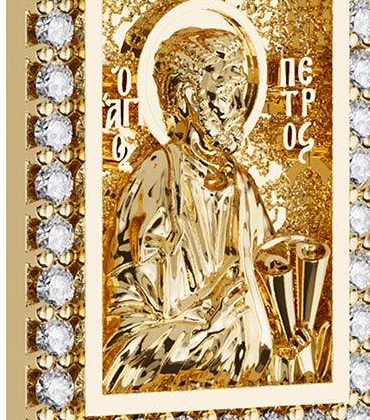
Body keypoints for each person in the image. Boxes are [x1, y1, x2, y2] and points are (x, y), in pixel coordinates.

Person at [103, 28, 275, 391]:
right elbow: (130, 325)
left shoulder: (242, 184)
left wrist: (284, 327)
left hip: (245, 370)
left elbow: (270, 281)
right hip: (177, 366)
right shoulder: (158, 176)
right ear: (187, 97)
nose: (239, 105)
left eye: (241, 90)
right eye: (226, 90)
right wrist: (207, 321)